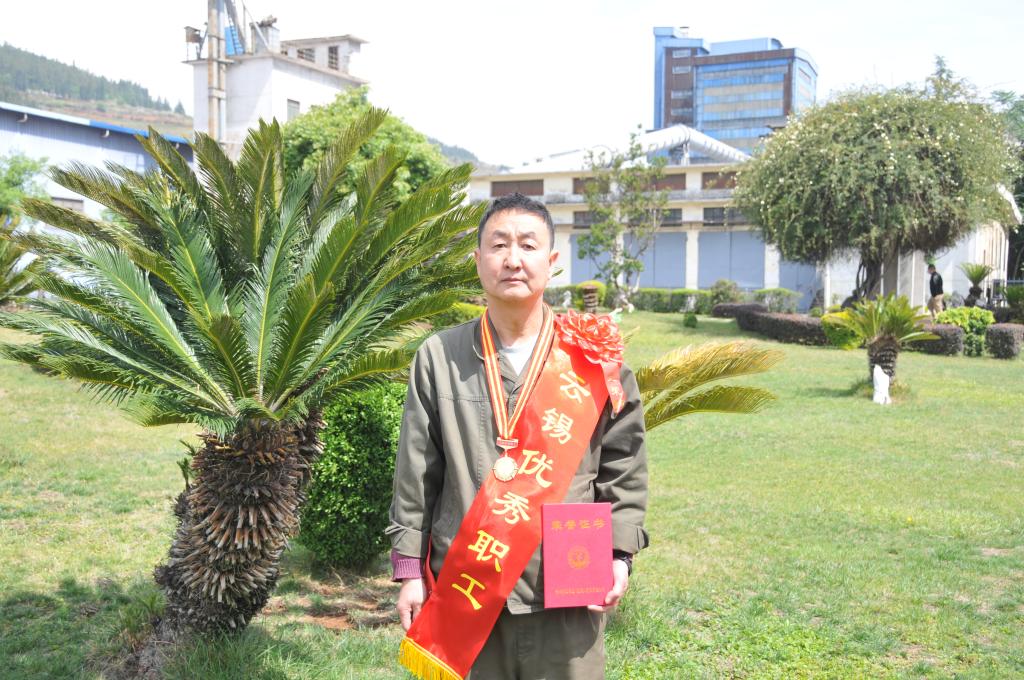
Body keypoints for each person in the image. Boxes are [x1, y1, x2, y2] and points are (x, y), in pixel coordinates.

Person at [387, 192, 649, 680]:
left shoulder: (592, 361)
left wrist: (619, 555)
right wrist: (409, 572)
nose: (513, 259)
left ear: (552, 261)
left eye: (528, 245)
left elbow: (623, 464)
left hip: (567, 590)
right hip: (468, 591)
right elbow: (417, 474)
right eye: (499, 245)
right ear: (477, 260)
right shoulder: (439, 357)